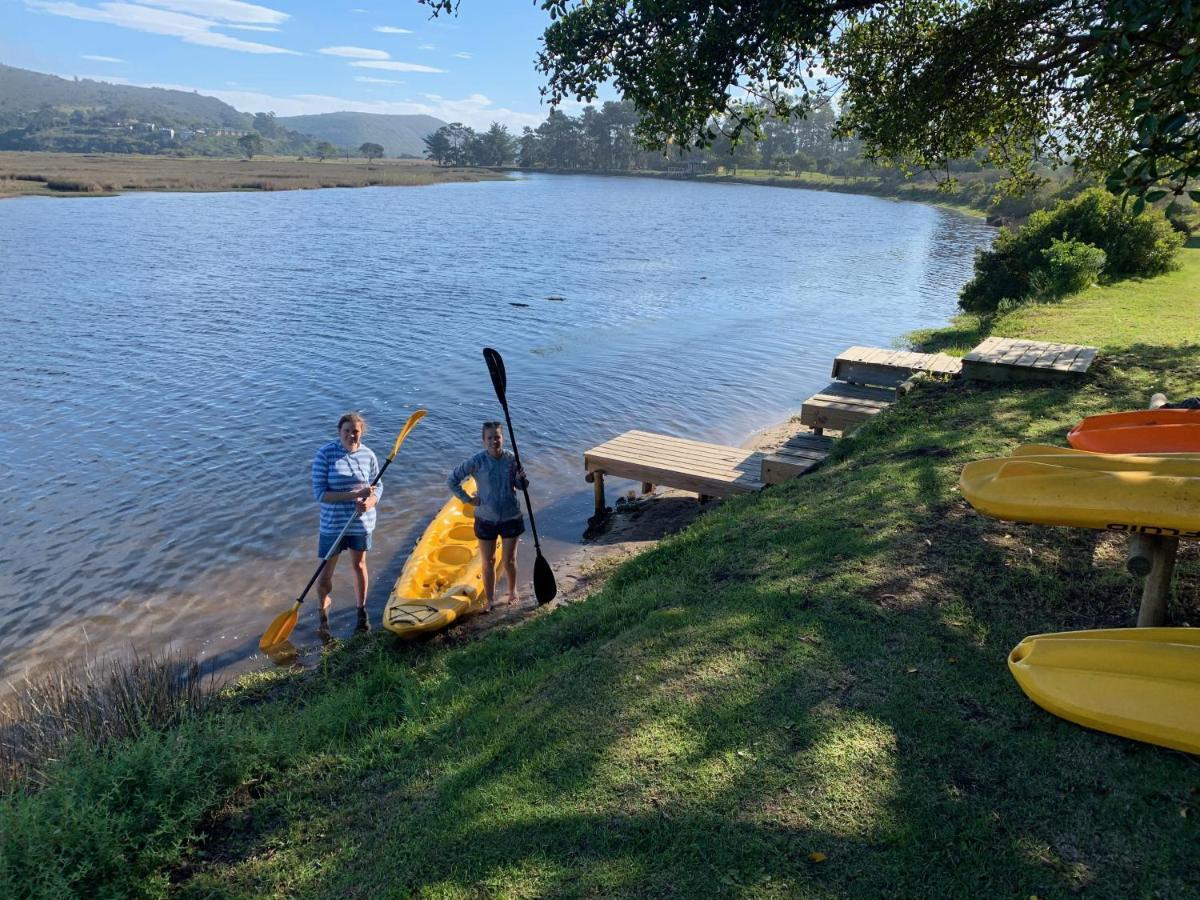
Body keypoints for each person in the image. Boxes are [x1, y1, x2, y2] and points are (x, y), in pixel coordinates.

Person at [448, 420, 528, 612]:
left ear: (503, 438)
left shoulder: (511, 458)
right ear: (484, 440)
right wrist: (468, 499)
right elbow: (452, 480)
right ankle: (490, 599)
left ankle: (512, 592)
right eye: (490, 438)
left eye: (497, 437)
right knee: (488, 561)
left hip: (511, 516)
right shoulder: (477, 461)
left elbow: (520, 487)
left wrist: (522, 479)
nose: (494, 441)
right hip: (486, 519)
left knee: (509, 560)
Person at [311, 412, 381, 616]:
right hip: (333, 525)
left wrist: (370, 502)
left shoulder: (368, 455)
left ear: (362, 432)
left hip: (361, 523)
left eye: (355, 431)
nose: (351, 435)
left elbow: (378, 485)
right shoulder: (325, 455)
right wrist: (355, 494)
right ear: (339, 432)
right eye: (347, 431)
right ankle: (322, 606)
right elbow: (321, 494)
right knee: (324, 575)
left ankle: (361, 610)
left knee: (359, 565)